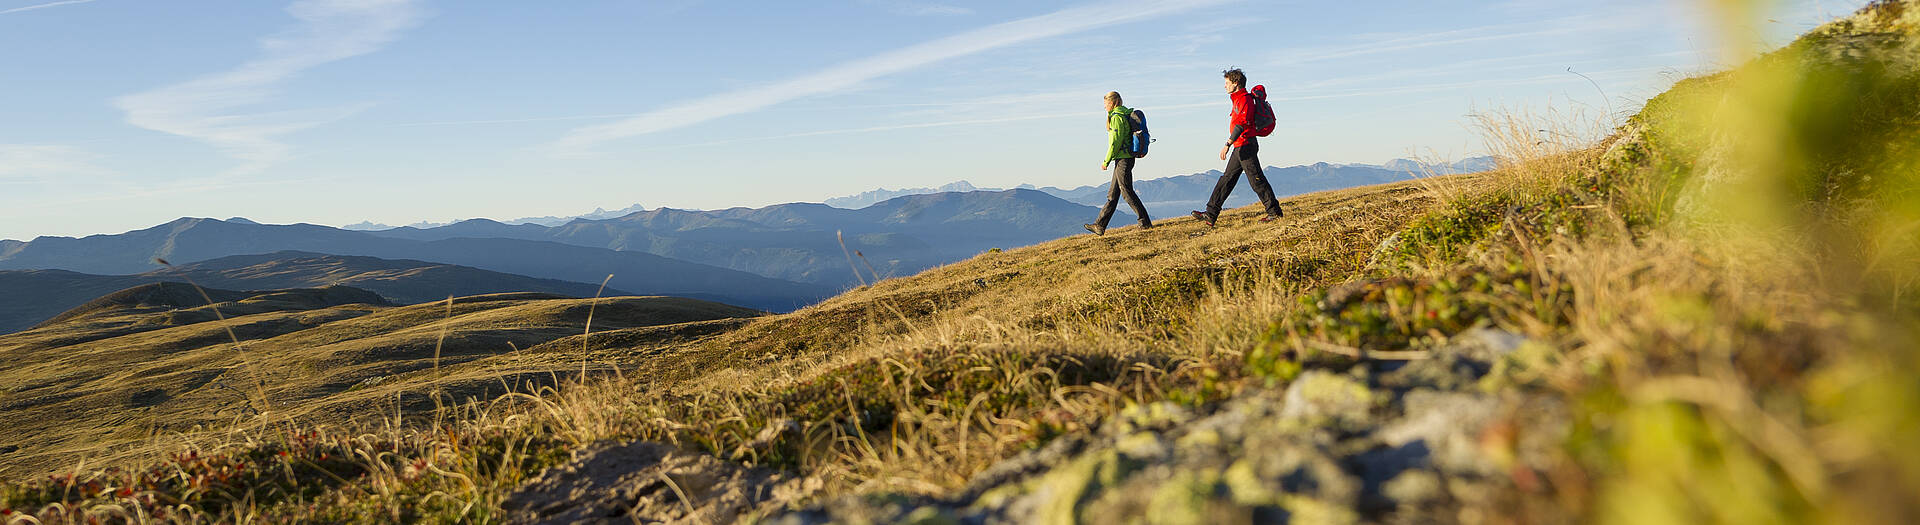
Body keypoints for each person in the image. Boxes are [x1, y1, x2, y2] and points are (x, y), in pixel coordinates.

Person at [1191, 68, 1283, 227]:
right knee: (1226, 180)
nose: (1225, 86)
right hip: (1241, 146)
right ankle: (1210, 214)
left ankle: (1274, 213)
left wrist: (1227, 144)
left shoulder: (1244, 100)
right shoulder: (1238, 99)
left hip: (1246, 145)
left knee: (1257, 181)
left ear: (1236, 83)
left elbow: (1241, 124)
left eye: (1227, 83)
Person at [1085, 91, 1152, 236]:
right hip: (1124, 158)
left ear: (1112, 102)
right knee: (1113, 194)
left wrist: (1106, 161)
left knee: (1127, 192)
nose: (1104, 107)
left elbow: (1116, 142)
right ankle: (1099, 225)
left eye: (1105, 104)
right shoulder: (1123, 114)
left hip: (1123, 159)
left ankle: (1144, 222)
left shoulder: (1117, 117)